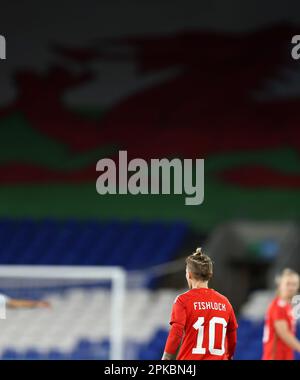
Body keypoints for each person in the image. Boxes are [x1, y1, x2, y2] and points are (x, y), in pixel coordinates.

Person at [162, 247, 238, 360]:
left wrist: (166, 358)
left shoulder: (183, 300)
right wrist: (230, 356)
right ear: (209, 274)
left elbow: (176, 333)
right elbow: (232, 335)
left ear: (189, 275)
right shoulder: (225, 302)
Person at [262, 268, 300, 360]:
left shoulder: (289, 306)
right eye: (288, 284)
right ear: (280, 285)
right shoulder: (278, 306)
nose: (291, 287)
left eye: (294, 284)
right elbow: (284, 333)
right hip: (274, 356)